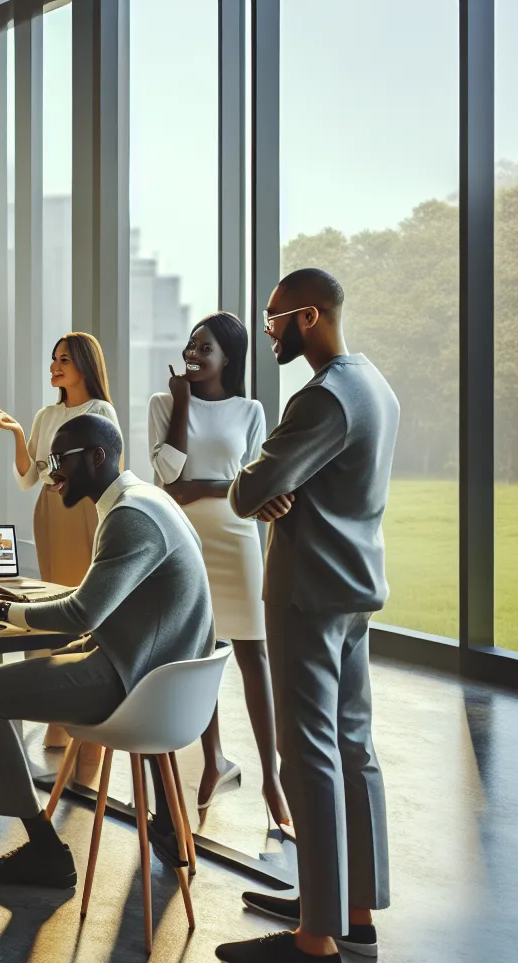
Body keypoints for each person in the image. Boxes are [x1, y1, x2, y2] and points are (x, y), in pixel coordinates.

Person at [215, 268, 397, 963]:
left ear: (310, 316)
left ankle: (314, 941)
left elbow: (247, 489)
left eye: (275, 318)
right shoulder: (372, 383)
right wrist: (280, 487)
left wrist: (264, 489)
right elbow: (294, 483)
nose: (267, 329)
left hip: (306, 594)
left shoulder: (322, 399)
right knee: (354, 749)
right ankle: (349, 910)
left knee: (308, 755)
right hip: (353, 591)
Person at [0, 414, 213, 889]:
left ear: (97, 456)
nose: (52, 473)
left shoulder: (129, 518)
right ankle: (166, 825)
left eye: (59, 461)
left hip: (133, 686)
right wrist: (21, 604)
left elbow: (83, 614)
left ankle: (45, 851)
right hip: (165, 683)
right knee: (25, 670)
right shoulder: (149, 500)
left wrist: (2, 615)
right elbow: (100, 603)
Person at [148, 311, 293, 833]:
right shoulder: (164, 403)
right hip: (183, 541)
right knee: (201, 648)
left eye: (204, 348)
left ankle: (273, 780)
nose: (192, 353)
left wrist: (203, 488)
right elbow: (167, 475)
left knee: (254, 653)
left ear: (228, 358)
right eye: (190, 344)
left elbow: (250, 488)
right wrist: (183, 403)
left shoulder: (251, 410)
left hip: (237, 539)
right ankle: (213, 760)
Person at [0, 330, 117, 744]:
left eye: (64, 359)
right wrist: (16, 434)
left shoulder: (101, 412)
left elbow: (107, 471)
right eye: (53, 358)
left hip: (83, 509)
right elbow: (28, 479)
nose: (54, 366)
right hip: (48, 508)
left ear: (84, 364)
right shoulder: (46, 416)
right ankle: (55, 721)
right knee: (53, 598)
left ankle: (78, 715)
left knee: (82, 604)